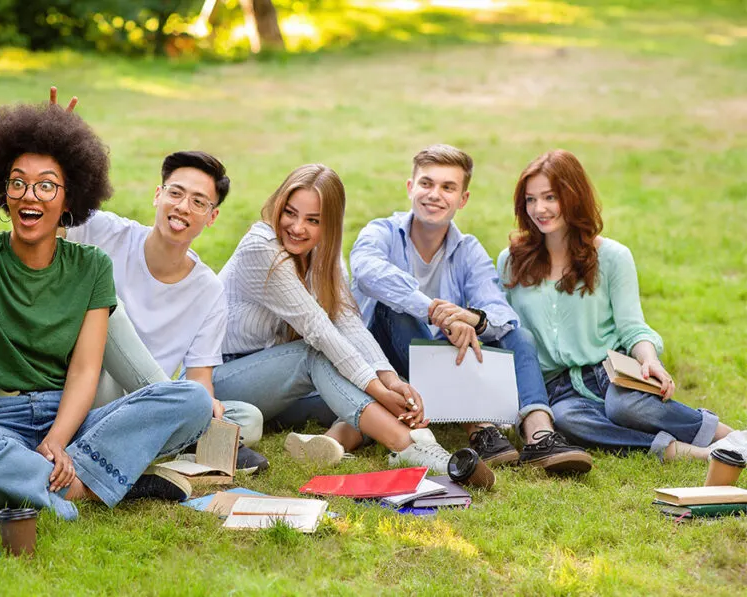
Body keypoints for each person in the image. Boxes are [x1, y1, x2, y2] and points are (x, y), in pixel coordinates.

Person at [0, 101, 212, 521]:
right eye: (17, 184)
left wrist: (57, 440)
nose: (29, 195)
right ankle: (91, 483)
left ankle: (58, 477)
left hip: (70, 419)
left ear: (69, 196)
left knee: (192, 399)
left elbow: (84, 372)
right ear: (4, 193)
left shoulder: (92, 266)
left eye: (45, 185)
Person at [350, 145, 591, 473]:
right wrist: (437, 312)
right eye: (426, 184)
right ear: (410, 188)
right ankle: (479, 426)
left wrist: (472, 319)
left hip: (446, 356)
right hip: (390, 364)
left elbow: (501, 313)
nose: (435, 195)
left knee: (519, 336)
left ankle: (539, 435)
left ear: (462, 199)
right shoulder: (381, 232)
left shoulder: (468, 249)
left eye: (448, 187)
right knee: (396, 310)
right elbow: (367, 271)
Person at [212, 164, 455, 473]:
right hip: (222, 380)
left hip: (275, 388)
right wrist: (377, 388)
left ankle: (330, 442)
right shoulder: (261, 248)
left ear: (328, 224)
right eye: (290, 213)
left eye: (313, 220)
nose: (298, 227)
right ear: (277, 207)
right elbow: (319, 331)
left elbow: (348, 322)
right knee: (324, 361)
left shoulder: (324, 256)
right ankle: (408, 446)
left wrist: (390, 380)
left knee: (368, 393)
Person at [498, 149, 738, 461]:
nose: (539, 209)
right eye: (530, 199)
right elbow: (508, 332)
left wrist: (649, 359)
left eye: (550, 198)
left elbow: (632, 326)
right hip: (558, 388)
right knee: (569, 421)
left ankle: (727, 436)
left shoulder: (612, 257)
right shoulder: (511, 262)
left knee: (625, 406)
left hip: (610, 372)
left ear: (573, 197)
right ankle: (682, 452)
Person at [61, 150, 268, 473]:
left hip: (146, 408)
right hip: (88, 389)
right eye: (175, 193)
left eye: (199, 202)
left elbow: (200, 379)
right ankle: (184, 434)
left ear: (211, 217)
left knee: (249, 419)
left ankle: (160, 433)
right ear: (158, 196)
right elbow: (52, 217)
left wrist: (198, 402)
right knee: (108, 306)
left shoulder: (209, 290)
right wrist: (58, 154)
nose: (183, 207)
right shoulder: (104, 232)